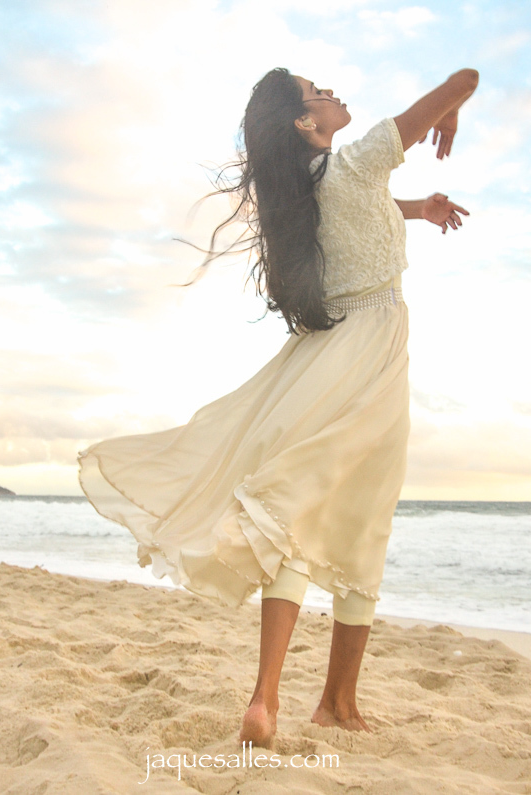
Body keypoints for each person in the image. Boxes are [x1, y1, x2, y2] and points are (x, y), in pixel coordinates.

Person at [78, 66, 479, 748]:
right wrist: (455, 110)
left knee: (303, 510)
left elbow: (363, 206)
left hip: (333, 353)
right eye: (317, 92)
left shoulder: (317, 184)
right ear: (305, 123)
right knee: (363, 516)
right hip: (372, 352)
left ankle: (270, 698)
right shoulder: (354, 163)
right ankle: (335, 701)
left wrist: (418, 209)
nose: (333, 92)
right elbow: (465, 75)